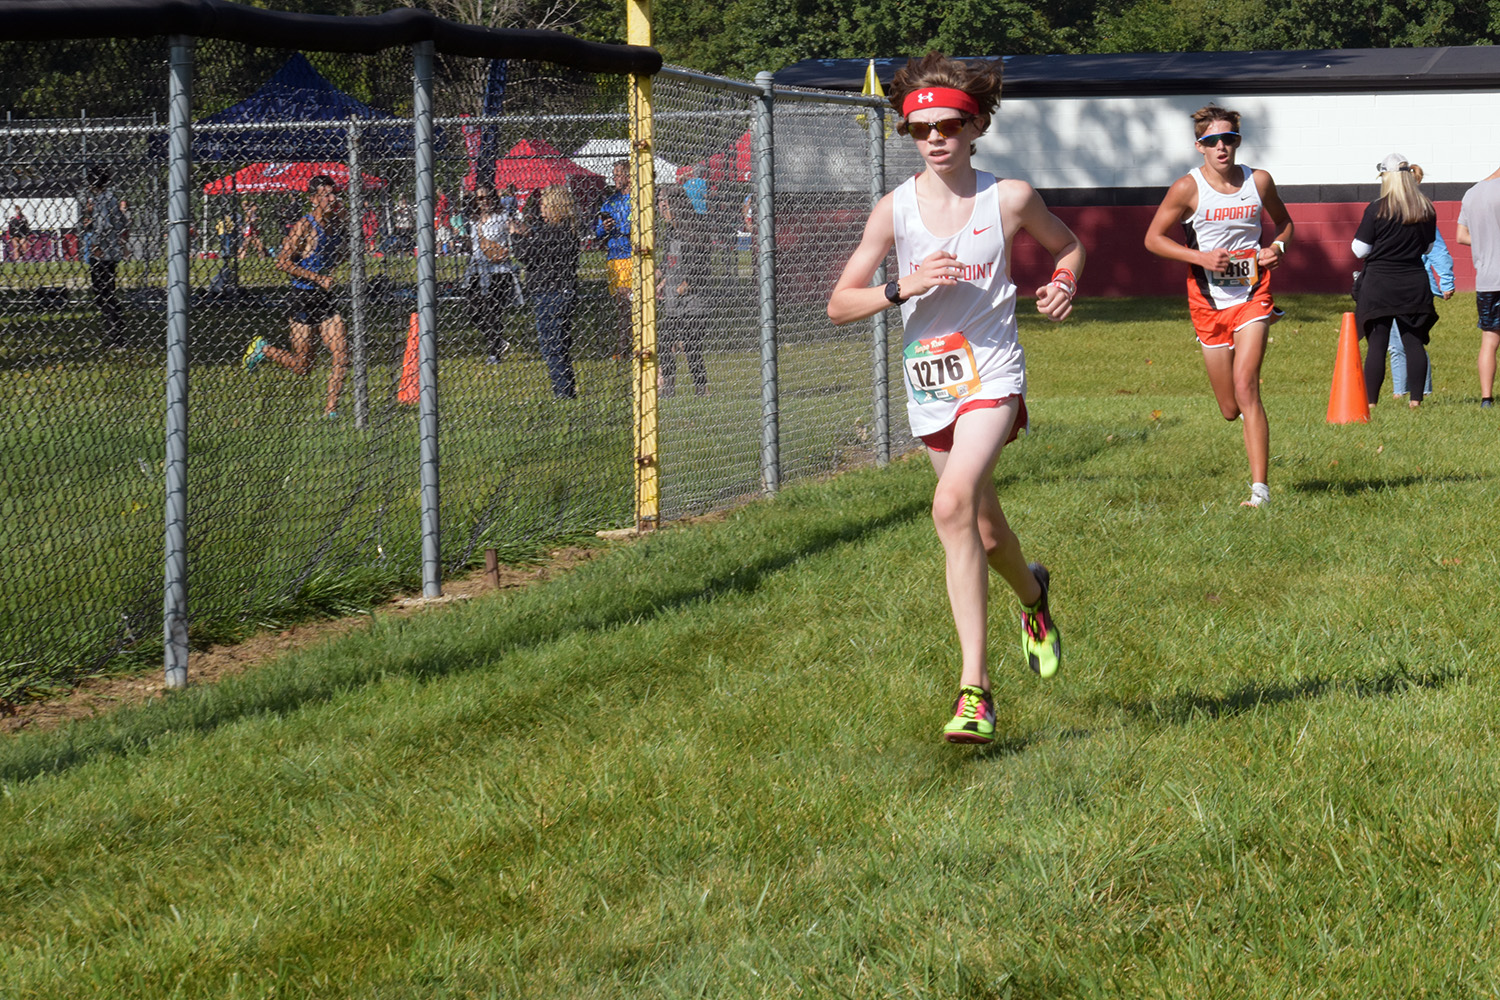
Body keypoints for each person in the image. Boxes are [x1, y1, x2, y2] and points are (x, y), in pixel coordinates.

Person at [827, 52, 1083, 745]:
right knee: (986, 532)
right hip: (929, 389)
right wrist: (899, 288)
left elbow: (1069, 247)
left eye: (948, 124)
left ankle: (976, 691)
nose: (935, 137)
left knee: (949, 506)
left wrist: (1064, 280)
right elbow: (838, 304)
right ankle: (1033, 594)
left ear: (975, 127)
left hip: (992, 377)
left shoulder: (1010, 199)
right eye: (920, 129)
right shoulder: (895, 211)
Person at [1144, 104, 1293, 508]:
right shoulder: (1186, 189)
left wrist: (1276, 248)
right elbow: (1153, 239)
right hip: (1207, 302)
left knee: (1247, 386)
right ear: (1200, 147)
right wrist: (1201, 258)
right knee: (1229, 408)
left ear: (1238, 142)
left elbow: (1285, 224)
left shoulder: (1258, 181)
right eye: (1213, 141)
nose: (1222, 147)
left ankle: (1259, 491)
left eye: (1230, 139)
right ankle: (1245, 419)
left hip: (1252, 295)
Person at [241, 174, 349, 418]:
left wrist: (342, 254)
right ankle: (264, 349)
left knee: (342, 353)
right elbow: (282, 262)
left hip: (325, 299)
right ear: (313, 199)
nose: (333, 199)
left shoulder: (336, 223)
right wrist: (317, 277)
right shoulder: (305, 225)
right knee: (303, 367)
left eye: (334, 194)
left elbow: (341, 252)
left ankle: (331, 412)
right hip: (302, 298)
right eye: (326, 195)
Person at [1350, 153, 1439, 409]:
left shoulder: (1376, 208)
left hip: (1379, 284)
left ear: (1386, 178)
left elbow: (1359, 250)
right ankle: (1416, 402)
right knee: (1414, 341)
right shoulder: (1425, 208)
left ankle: (1371, 403)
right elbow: (1429, 247)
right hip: (1413, 282)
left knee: (1377, 343)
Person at [1387, 164, 1453, 400]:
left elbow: (1438, 250)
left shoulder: (1421, 213)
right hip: (1391, 284)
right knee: (1395, 343)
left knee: (1412, 341)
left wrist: (1446, 282)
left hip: (1416, 286)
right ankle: (1399, 391)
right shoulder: (1388, 211)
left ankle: (1422, 390)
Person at [513, 185, 582, 398]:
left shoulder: (553, 231)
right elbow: (541, 250)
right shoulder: (567, 232)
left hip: (550, 293)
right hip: (564, 292)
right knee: (559, 345)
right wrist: (529, 234)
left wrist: (516, 235)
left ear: (555, 207)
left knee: (552, 347)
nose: (541, 208)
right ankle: (566, 390)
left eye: (544, 204)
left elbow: (526, 254)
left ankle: (563, 393)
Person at [656, 184, 710, 397]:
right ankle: (668, 389)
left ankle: (701, 389)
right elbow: (665, 264)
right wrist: (657, 282)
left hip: (693, 302)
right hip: (672, 301)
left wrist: (680, 288)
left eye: (664, 203)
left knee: (690, 345)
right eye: (659, 204)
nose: (661, 209)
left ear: (676, 205)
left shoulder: (694, 230)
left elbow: (700, 270)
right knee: (664, 343)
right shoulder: (670, 232)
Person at [464, 183, 524, 363]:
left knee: (492, 311)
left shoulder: (503, 216)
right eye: (480, 198)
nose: (484, 201)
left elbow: (518, 235)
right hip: (477, 269)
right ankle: (498, 341)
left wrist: (508, 249)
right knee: (472, 311)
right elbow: (473, 245)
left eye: (487, 197)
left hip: (499, 270)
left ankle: (494, 354)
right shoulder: (474, 220)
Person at [1457, 162, 1500, 408]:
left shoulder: (1471, 193)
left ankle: (1486, 398)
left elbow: (1461, 236)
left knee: (1489, 340)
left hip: (1486, 279)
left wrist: (1486, 241)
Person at [82, 169, 127, 349]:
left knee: (103, 295)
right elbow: (120, 223)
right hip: (112, 251)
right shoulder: (112, 198)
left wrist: (96, 244)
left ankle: (116, 336)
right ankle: (115, 334)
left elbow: (104, 225)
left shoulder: (101, 200)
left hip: (103, 253)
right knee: (107, 293)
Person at [595, 160, 633, 360]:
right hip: (614, 257)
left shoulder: (636, 200)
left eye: (619, 174)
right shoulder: (609, 202)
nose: (615, 179)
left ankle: (634, 346)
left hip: (631, 255)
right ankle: (623, 347)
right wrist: (605, 228)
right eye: (614, 175)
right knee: (621, 307)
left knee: (632, 303)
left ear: (628, 176)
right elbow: (597, 232)